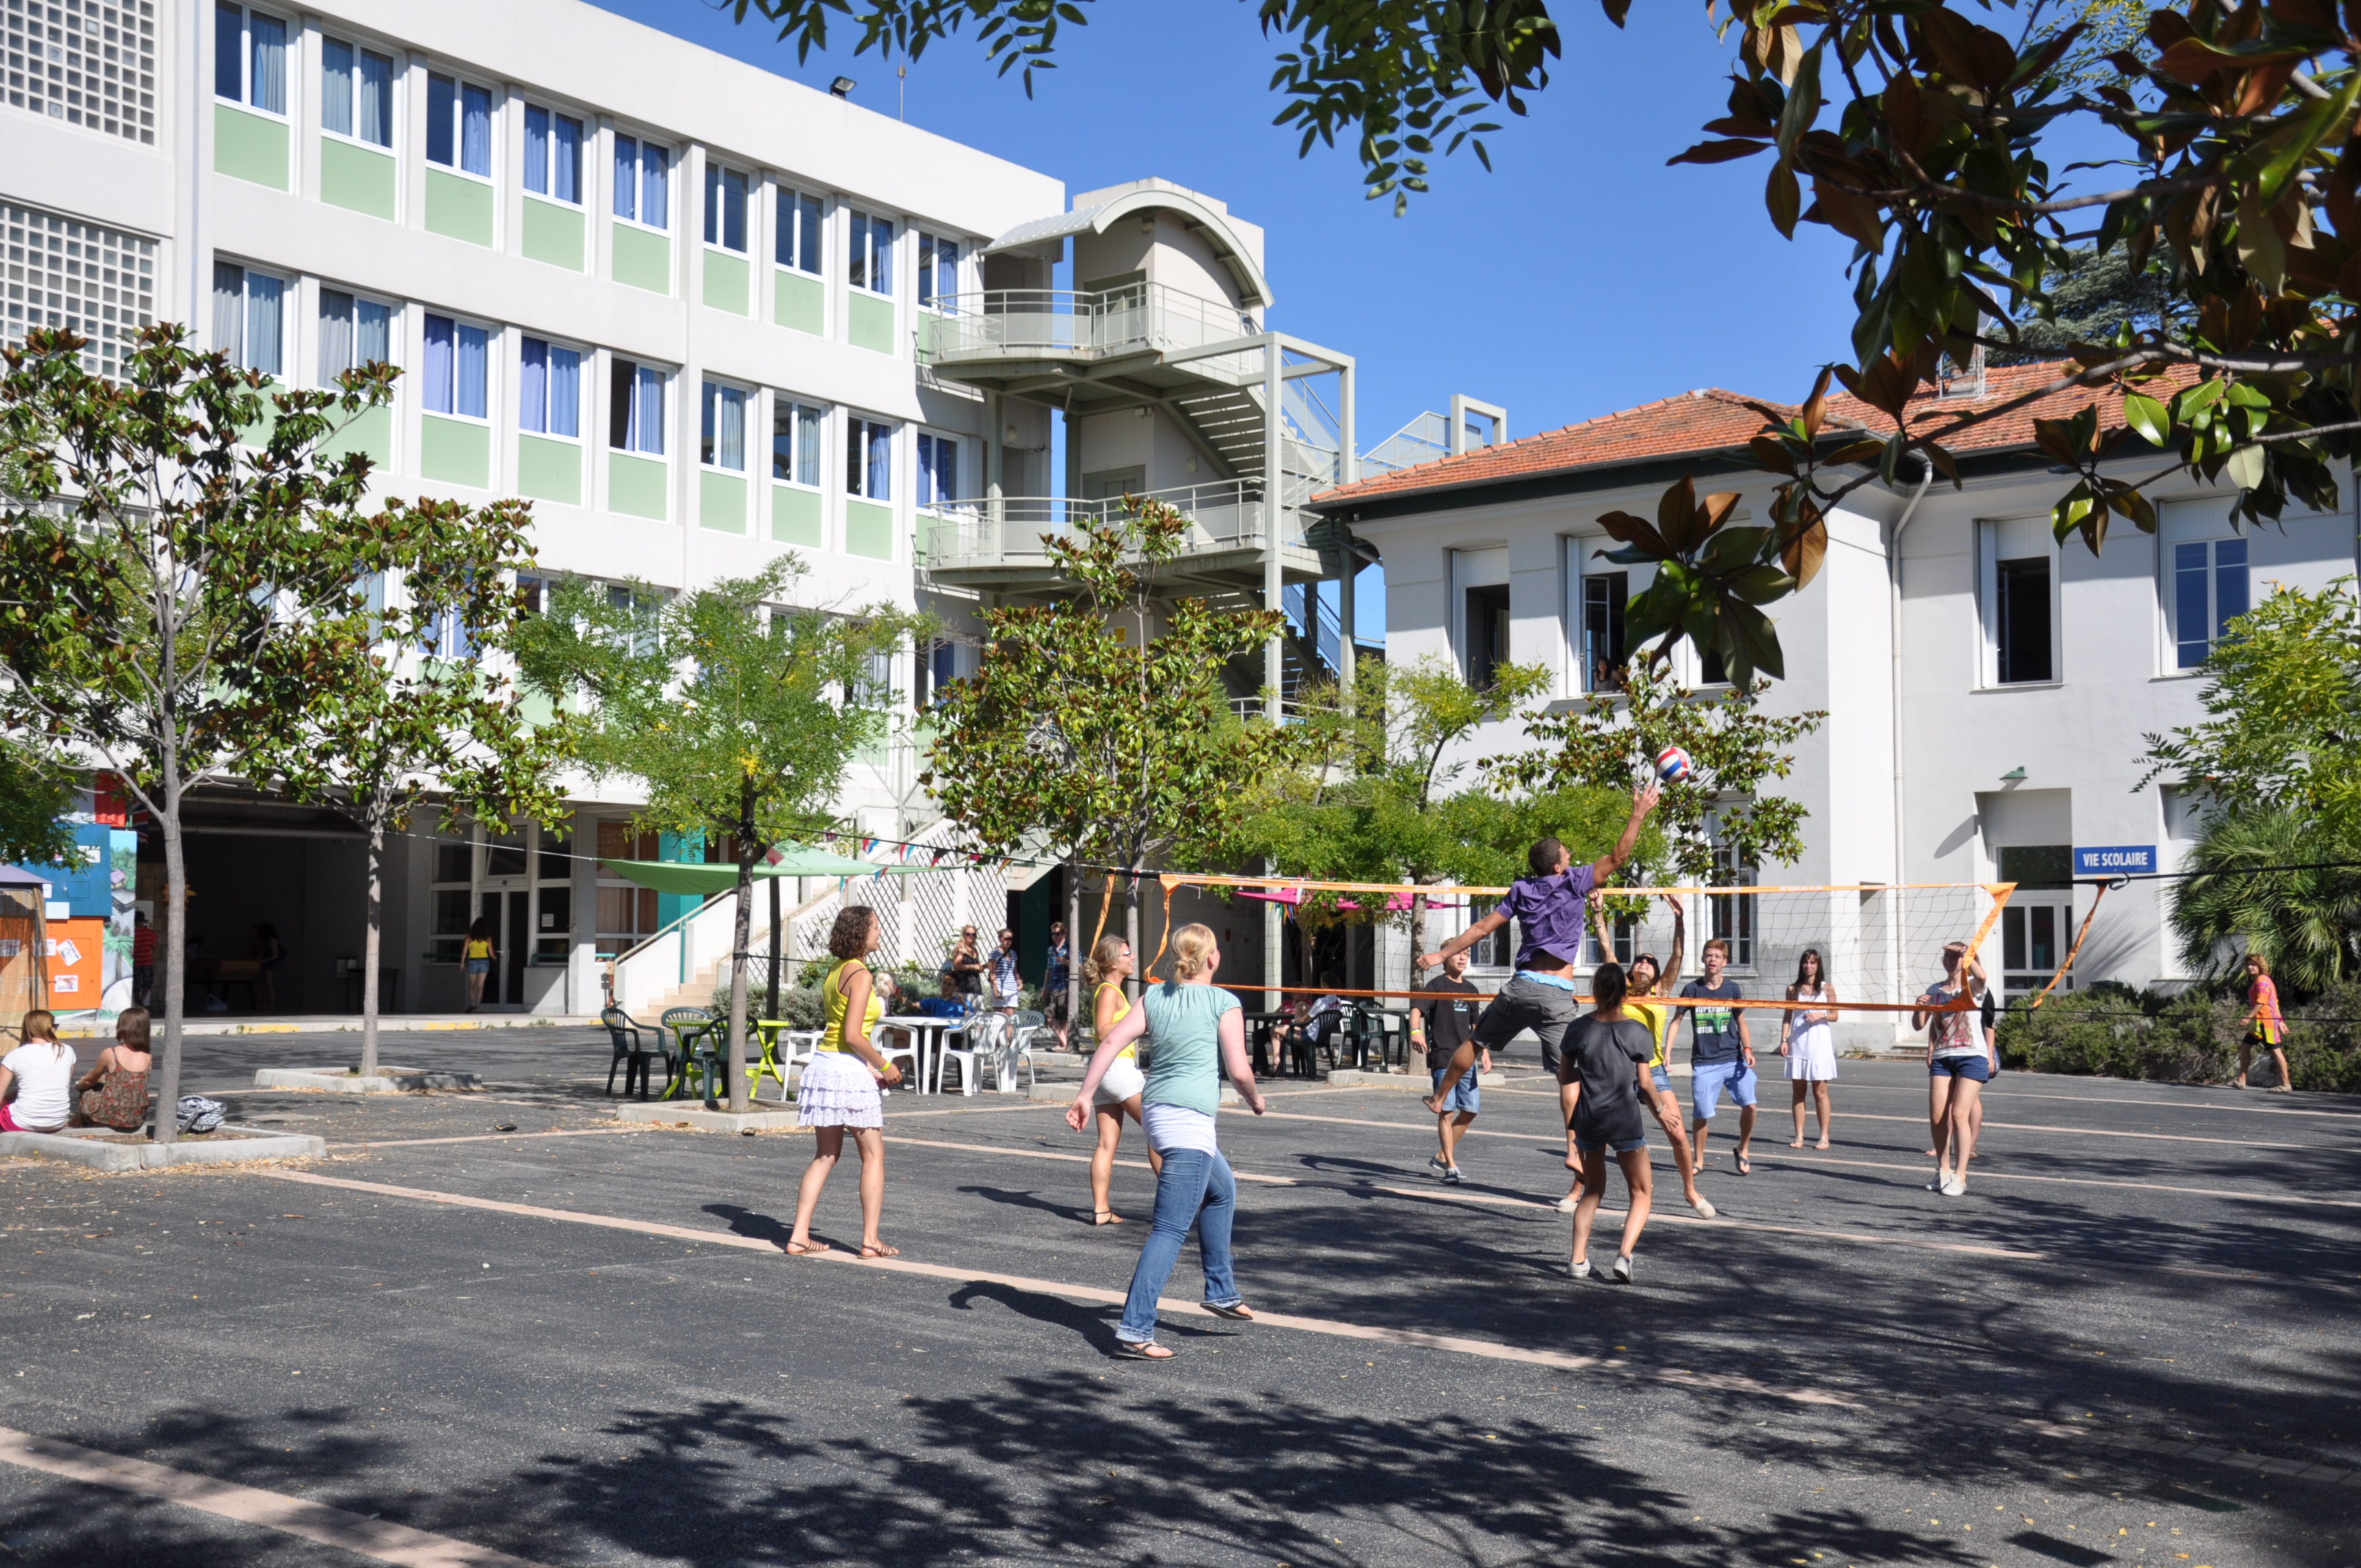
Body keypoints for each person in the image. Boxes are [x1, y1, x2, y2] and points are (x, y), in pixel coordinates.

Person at [1067, 923, 1268, 1360]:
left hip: (1159, 1114)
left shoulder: (1154, 996)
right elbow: (1238, 1069)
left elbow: (1111, 1041)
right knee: (1170, 1230)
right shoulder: (1223, 1001)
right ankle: (1135, 1329)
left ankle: (1220, 1291)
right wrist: (1255, 1099)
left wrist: (1085, 1094)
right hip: (1187, 1123)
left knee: (1222, 1192)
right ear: (1212, 958)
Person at [1415, 783, 1662, 1114]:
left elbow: (1480, 928)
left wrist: (1440, 955)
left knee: (1474, 1044)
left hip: (1521, 987)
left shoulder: (1521, 889)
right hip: (1555, 994)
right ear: (1559, 867)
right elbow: (1619, 856)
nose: (1571, 855)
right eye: (1566, 853)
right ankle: (1576, 1148)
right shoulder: (1575, 881)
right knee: (1569, 1073)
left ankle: (1439, 1098)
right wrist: (1638, 813)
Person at [1584, 892, 1714, 1219]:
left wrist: (1680, 919)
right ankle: (1578, 1190)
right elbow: (1607, 949)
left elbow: (1678, 954)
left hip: (1653, 1070)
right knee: (1591, 1137)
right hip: (1618, 1072)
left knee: (1677, 1132)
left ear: (1656, 974)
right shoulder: (1620, 990)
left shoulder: (1662, 992)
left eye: (1650, 962)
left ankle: (1690, 1191)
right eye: (1640, 960)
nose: (1644, 962)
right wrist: (1598, 915)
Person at [786, 905, 906, 1257]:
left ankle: (798, 1235)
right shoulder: (862, 974)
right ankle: (870, 1240)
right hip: (845, 1069)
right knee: (874, 1155)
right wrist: (884, 1064)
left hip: (825, 1064)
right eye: (875, 926)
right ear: (860, 932)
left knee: (825, 1154)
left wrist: (866, 1067)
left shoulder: (834, 971)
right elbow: (853, 1035)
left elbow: (840, 1033)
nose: (879, 933)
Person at [1564, 962, 1659, 1284]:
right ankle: (1624, 1255)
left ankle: (1578, 1260)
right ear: (1624, 993)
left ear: (1595, 991)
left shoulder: (1578, 1029)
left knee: (1592, 1190)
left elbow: (1565, 1076)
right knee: (1642, 1191)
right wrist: (1663, 1111)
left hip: (1588, 1118)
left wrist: (1593, 1074)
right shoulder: (1637, 1031)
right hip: (1624, 1120)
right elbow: (1645, 1085)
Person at [1081, 934, 1162, 1224]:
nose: (1132, 958)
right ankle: (1176, 1206)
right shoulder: (1109, 992)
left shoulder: (1110, 990)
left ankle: (1101, 1210)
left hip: (1106, 1072)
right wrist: (1135, 1023)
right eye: (1127, 954)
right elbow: (1104, 1031)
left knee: (1106, 1143)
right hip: (1118, 1068)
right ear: (1114, 961)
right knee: (1159, 1133)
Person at [1912, 940, 1992, 1197]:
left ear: (1966, 959)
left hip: (1972, 1056)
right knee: (1937, 1116)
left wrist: (1967, 955)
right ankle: (1943, 1171)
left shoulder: (1974, 987)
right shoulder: (1935, 989)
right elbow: (1918, 1025)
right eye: (1946, 955)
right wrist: (1920, 1007)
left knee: (1960, 1115)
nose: (1949, 959)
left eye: (1954, 956)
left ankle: (1961, 1176)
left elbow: (1982, 975)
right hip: (1943, 1057)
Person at [1410, 948, 1485, 1183]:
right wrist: (1415, 1031)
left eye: (1467, 954)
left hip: (1467, 1058)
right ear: (1446, 958)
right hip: (1444, 1056)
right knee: (1447, 1110)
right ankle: (1451, 1166)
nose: (1463, 958)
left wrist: (1484, 1052)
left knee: (1471, 1109)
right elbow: (1416, 1010)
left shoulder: (1472, 990)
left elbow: (1476, 1027)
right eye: (1458, 954)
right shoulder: (1436, 985)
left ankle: (1442, 1155)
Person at [1683, 937, 1757, 1177]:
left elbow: (1742, 1023)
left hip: (1733, 1058)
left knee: (1751, 1104)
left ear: (1724, 962)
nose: (1712, 960)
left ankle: (1743, 1148)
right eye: (1709, 955)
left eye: (1717, 956)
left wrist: (1748, 1049)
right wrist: (1665, 1052)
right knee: (1702, 1114)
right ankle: (1699, 1159)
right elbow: (1675, 1021)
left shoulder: (1732, 988)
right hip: (1705, 1062)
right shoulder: (1692, 989)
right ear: (1703, 959)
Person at [1782, 947, 1838, 1147]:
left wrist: (1819, 1014)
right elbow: (1788, 1016)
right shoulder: (1792, 989)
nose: (1809, 966)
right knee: (1798, 1092)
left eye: (1813, 962)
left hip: (1819, 1043)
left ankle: (1824, 1136)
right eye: (1806, 962)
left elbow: (1835, 1015)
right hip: (1798, 1043)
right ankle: (1799, 1136)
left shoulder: (1827, 988)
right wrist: (1783, 1039)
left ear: (1818, 965)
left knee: (1820, 1092)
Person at [71, 1006, 152, 1130]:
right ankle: (76, 1122)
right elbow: (130, 1082)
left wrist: (78, 1084)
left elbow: (89, 1081)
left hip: (111, 1115)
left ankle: (76, 1123)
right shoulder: (148, 1056)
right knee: (102, 1080)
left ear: (122, 1027)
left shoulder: (111, 1053)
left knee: (88, 1086)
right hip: (136, 1117)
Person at [0, 1010, 75, 1133]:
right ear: (49, 1028)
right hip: (58, 1121)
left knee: (6, 1104)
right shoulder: (67, 1050)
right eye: (55, 1026)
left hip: (22, 1123)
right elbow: (63, 1084)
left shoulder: (14, 1056)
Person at [2238, 953, 2291, 1092]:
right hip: (2260, 1024)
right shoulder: (2260, 980)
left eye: (2253, 964)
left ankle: (2286, 1084)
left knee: (2276, 1052)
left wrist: (2248, 1017)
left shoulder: (2262, 981)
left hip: (2266, 1024)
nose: (2250, 967)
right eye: (2248, 965)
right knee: (2245, 1047)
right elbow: (2274, 1003)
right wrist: (2280, 1020)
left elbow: (2262, 1002)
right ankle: (2241, 1080)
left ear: (2260, 966)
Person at [943, 927, 986, 1014]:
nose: (971, 936)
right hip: (963, 989)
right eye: (968, 934)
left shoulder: (974, 950)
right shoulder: (960, 948)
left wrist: (982, 967)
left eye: (973, 934)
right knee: (963, 1017)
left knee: (979, 1020)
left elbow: (974, 968)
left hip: (976, 989)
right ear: (963, 935)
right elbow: (957, 965)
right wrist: (974, 966)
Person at [1045, 921, 1073, 1050]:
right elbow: (1048, 970)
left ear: (1064, 933)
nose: (1055, 936)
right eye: (1053, 934)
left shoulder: (1071, 948)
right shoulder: (1051, 950)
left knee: (1063, 1017)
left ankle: (1061, 1043)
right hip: (1052, 985)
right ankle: (1065, 1041)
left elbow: (1079, 966)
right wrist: (1045, 988)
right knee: (1049, 1014)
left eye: (1058, 934)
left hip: (1064, 985)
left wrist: (1067, 962)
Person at [461, 918, 496, 1012]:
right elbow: (491, 954)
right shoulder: (488, 938)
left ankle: (472, 1004)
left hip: (472, 962)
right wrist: (496, 959)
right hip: (484, 962)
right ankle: (477, 1007)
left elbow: (465, 952)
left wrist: (462, 963)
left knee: (472, 985)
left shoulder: (469, 937)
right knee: (480, 986)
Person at [250, 922, 286, 1010]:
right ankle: (266, 1004)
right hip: (265, 964)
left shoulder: (273, 940)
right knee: (265, 985)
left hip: (270, 965)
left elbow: (275, 955)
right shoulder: (267, 940)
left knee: (270, 985)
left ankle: (272, 1004)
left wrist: (264, 960)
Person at [988, 926, 1022, 1015]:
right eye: (1006, 938)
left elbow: (1014, 971)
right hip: (1000, 986)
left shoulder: (1013, 953)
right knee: (999, 1018)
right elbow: (992, 972)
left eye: (1011, 939)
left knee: (1010, 1019)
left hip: (1012, 987)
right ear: (1000, 938)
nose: (1008, 941)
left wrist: (1019, 982)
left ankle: (1009, 1030)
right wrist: (995, 989)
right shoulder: (994, 953)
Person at [131, 912, 156, 1008]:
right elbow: (155, 948)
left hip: (136, 961)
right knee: (148, 982)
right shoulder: (150, 932)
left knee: (136, 984)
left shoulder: (132, 933)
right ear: (143, 920)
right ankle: (141, 1001)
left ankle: (137, 1002)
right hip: (147, 961)